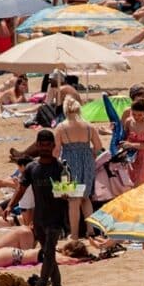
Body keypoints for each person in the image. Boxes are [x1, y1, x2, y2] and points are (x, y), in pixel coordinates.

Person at [6, 129, 68, 286]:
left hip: (56, 218)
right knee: (49, 254)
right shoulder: (32, 168)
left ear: (54, 146)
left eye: (49, 145)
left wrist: (64, 192)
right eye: (42, 145)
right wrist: (10, 205)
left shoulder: (60, 168)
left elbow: (67, 191)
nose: (45, 148)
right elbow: (21, 189)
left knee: (48, 253)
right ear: (38, 145)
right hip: (39, 218)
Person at [54, 98, 103, 239]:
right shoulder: (88, 126)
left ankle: (74, 234)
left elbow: (56, 150)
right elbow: (98, 147)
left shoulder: (61, 127)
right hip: (87, 161)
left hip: (69, 163)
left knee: (73, 200)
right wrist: (90, 156)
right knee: (86, 198)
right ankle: (91, 230)